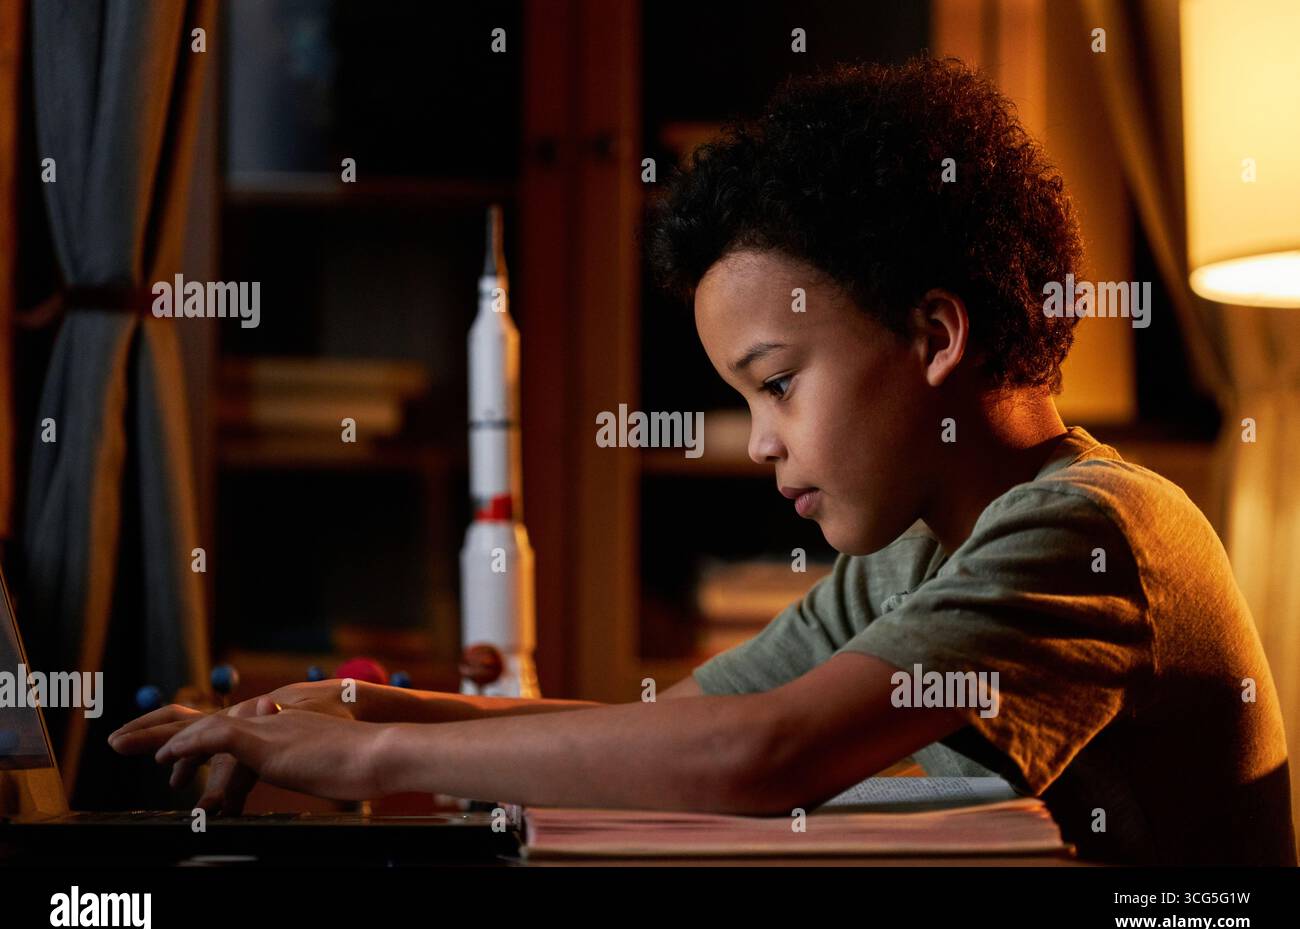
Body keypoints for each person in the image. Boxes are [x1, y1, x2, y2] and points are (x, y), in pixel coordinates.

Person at [109, 56, 1294, 865]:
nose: (763, 439)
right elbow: (681, 727)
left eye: (776, 383)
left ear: (933, 337)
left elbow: (756, 756)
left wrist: (369, 753)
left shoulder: (1092, 530)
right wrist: (378, 703)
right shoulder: (914, 555)